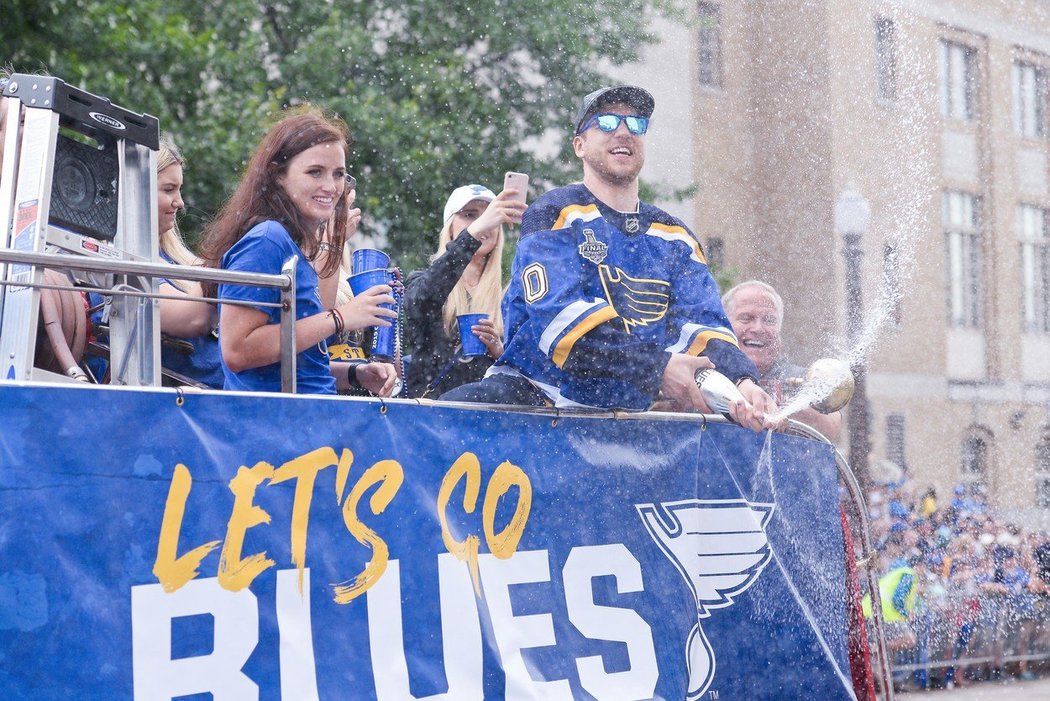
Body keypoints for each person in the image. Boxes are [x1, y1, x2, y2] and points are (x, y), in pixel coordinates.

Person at [442, 85, 776, 431]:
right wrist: (657, 368)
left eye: (636, 124)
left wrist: (742, 382)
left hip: (622, 421)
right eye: (606, 121)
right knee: (443, 416)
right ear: (579, 146)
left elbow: (704, 328)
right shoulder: (553, 212)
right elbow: (562, 326)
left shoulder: (676, 236)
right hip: (533, 402)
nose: (623, 131)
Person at [199, 106, 397, 395]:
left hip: (307, 418)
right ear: (278, 175)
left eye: (339, 174)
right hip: (279, 426)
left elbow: (297, 363)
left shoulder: (290, 245)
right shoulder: (267, 239)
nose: (330, 186)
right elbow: (238, 351)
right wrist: (341, 318)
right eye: (315, 172)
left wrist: (356, 374)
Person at [403, 184, 525, 398]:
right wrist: (474, 232)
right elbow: (422, 299)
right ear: (450, 227)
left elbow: (527, 374)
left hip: (487, 421)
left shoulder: (510, 297)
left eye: (489, 216)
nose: (482, 222)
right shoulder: (422, 280)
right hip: (432, 421)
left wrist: (500, 352)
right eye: (469, 215)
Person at [722, 280, 842, 440]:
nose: (758, 328)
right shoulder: (706, 373)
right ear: (723, 326)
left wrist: (783, 409)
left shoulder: (803, 378)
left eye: (769, 320)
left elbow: (831, 426)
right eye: (746, 318)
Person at [152, 134, 224, 388]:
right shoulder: (122, 264)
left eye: (179, 190)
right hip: (198, 409)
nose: (180, 203)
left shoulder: (174, 259)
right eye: (169, 189)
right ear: (137, 188)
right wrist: (231, 242)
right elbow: (192, 318)